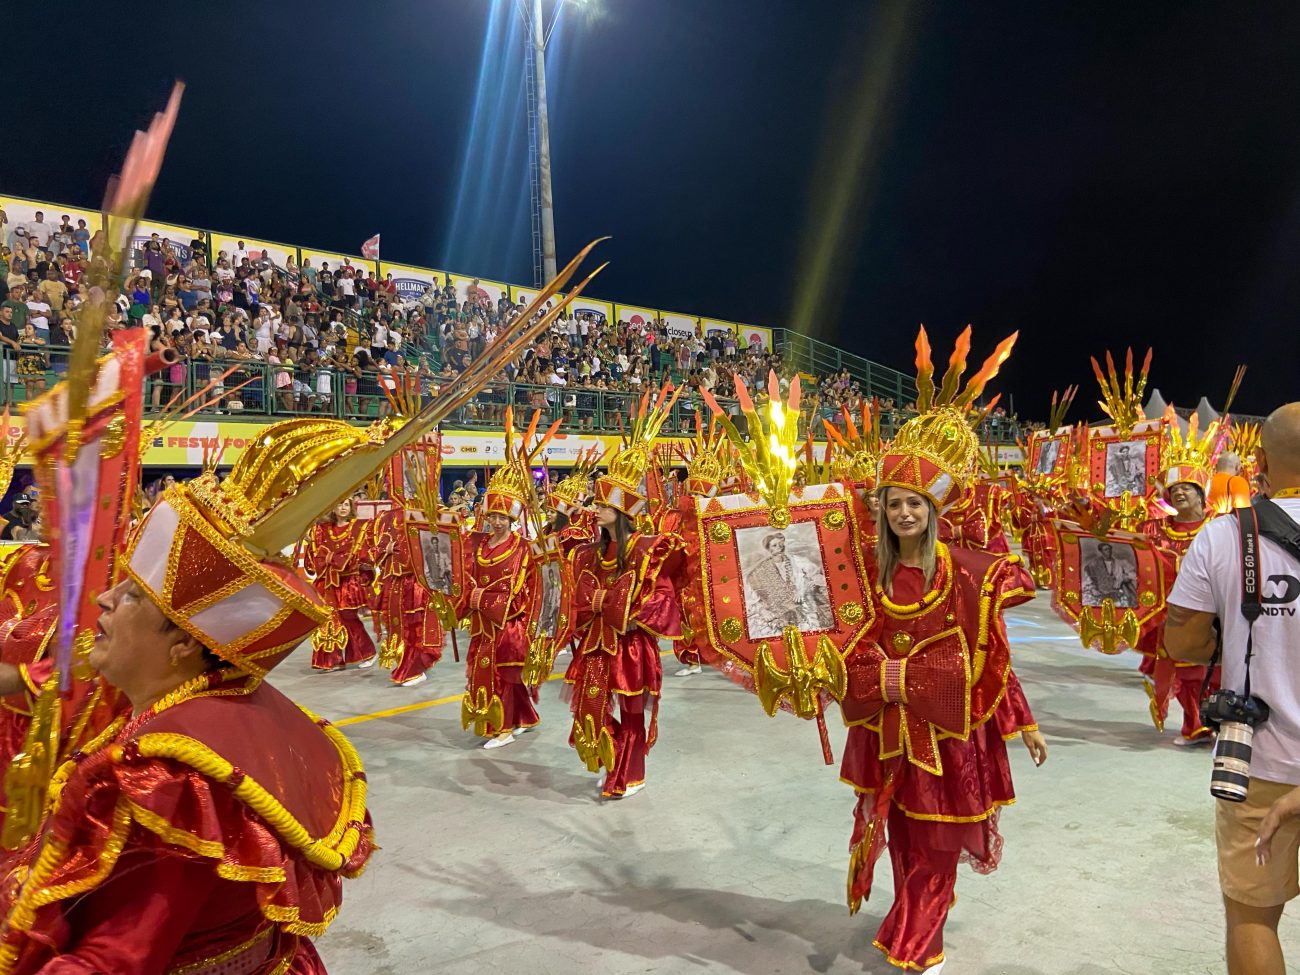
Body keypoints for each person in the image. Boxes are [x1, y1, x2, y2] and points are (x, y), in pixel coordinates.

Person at [0, 422, 380, 973]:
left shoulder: (172, 778)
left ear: (181, 643)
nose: (103, 601)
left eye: (131, 596)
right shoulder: (223, 709)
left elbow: (111, 959)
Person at [839, 328, 1045, 974]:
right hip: (886, 728)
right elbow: (847, 649)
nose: (904, 513)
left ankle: (923, 936)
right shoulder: (866, 577)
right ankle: (909, 914)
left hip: (951, 735)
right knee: (900, 833)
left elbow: (995, 657)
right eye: (894, 504)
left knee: (938, 838)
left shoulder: (968, 572)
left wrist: (1022, 723)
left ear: (933, 508)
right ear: (883, 513)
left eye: (914, 504)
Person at [1166, 402, 1300, 975]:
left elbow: (1184, 647)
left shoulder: (1222, 537)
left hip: (1259, 762)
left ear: (1262, 461)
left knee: (1252, 917)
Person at [565, 388, 684, 797]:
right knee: (590, 709)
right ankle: (614, 757)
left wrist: (631, 611)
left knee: (632, 712)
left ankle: (630, 772)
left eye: (602, 507)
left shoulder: (648, 548)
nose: (594, 511)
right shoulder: (593, 551)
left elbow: (664, 595)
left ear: (623, 511)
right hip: (598, 644)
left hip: (631, 644)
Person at [449, 456, 541, 748]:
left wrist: (482, 599)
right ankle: (524, 718)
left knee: (505, 675)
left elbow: (520, 589)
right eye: (493, 516)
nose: (497, 522)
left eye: (503, 517)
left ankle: (503, 728)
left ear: (513, 519)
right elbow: (465, 577)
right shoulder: (477, 544)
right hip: (481, 623)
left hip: (509, 623)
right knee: (486, 672)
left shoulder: (522, 548)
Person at [302, 499, 378, 671]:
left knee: (348, 618)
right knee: (327, 620)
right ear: (333, 507)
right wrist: (310, 541)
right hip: (327, 582)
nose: (342, 508)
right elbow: (315, 556)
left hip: (347, 582)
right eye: (339, 504)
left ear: (351, 507)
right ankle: (330, 660)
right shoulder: (323, 529)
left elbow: (365, 554)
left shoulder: (358, 528)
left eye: (346, 505)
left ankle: (367, 652)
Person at [742, 530, 831, 636]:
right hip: (777, 610)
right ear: (768, 549)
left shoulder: (796, 561)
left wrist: (802, 590)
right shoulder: (759, 571)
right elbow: (751, 595)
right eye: (774, 545)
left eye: (780, 544)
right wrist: (762, 610)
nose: (779, 547)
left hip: (802, 603)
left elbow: (816, 576)